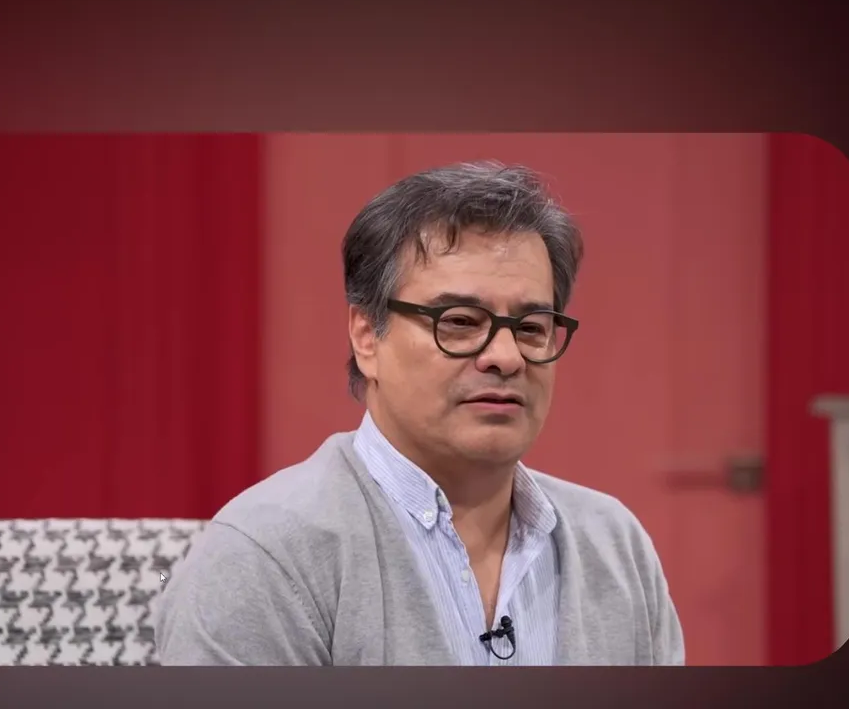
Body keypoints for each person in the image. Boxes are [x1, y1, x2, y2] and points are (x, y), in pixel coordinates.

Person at [155, 162, 685, 666]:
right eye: (460, 321)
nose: (506, 357)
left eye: (531, 328)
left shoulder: (614, 545)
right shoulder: (266, 556)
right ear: (367, 336)